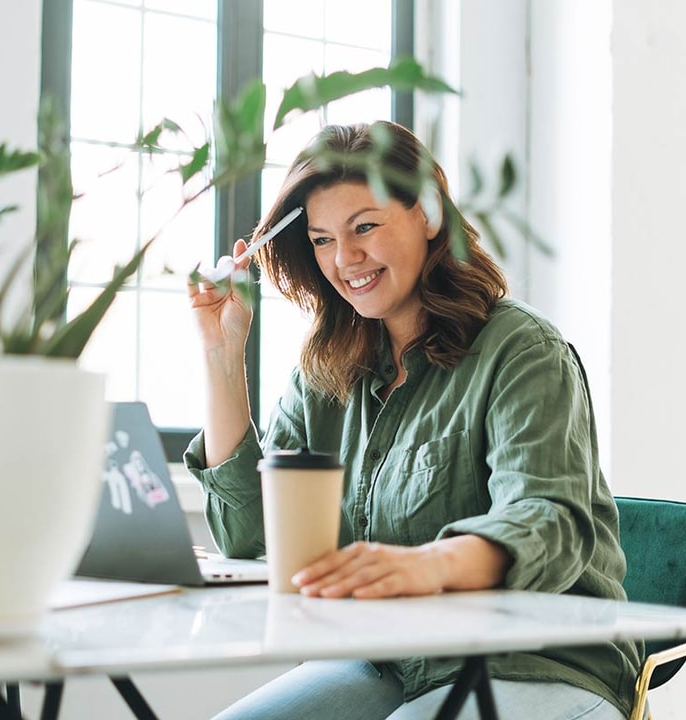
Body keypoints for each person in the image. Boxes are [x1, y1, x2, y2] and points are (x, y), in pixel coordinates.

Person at [184, 120, 641, 720]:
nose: (344, 259)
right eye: (321, 239)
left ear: (427, 214)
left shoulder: (522, 350)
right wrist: (222, 355)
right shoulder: (326, 370)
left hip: (536, 660)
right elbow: (252, 536)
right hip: (387, 659)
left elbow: (550, 523)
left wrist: (425, 565)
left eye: (364, 227)